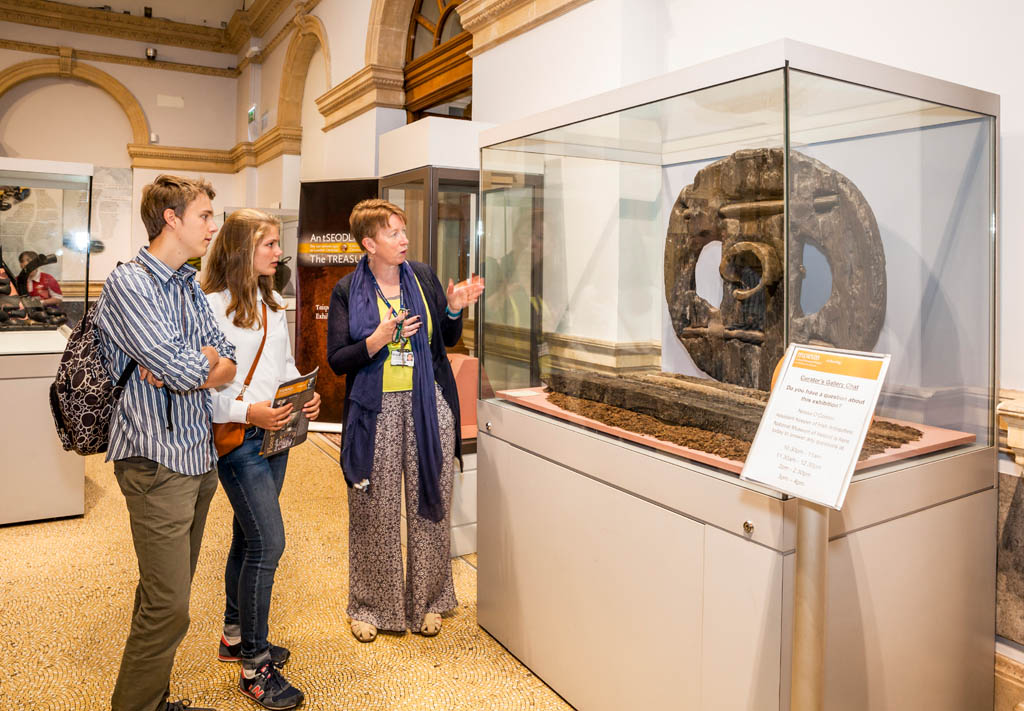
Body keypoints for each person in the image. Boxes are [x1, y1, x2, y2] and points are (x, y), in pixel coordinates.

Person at [94, 174, 237, 711]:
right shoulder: (130, 284)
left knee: (163, 593)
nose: (213, 226)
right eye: (204, 215)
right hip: (156, 462)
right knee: (169, 606)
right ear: (171, 219)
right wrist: (195, 363)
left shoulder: (187, 283)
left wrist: (201, 362)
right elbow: (180, 368)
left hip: (197, 456)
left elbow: (226, 359)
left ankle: (151, 699)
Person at [326, 198, 484, 643]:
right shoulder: (346, 290)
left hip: (428, 404)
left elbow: (446, 339)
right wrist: (377, 339)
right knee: (373, 509)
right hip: (374, 410)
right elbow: (337, 359)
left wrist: (453, 308)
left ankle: (429, 601)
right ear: (368, 243)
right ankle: (371, 606)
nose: (404, 239)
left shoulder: (424, 277)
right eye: (393, 232)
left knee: (430, 503)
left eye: (403, 230)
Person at [202, 209, 320, 710]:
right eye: (269, 244)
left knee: (247, 537)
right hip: (240, 439)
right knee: (269, 544)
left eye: (277, 243)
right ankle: (255, 666)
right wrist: (248, 411)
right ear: (241, 250)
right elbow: (200, 388)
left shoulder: (274, 302)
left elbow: (283, 365)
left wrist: (303, 396)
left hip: (277, 437)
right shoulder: (210, 306)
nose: (278, 252)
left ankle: (234, 635)